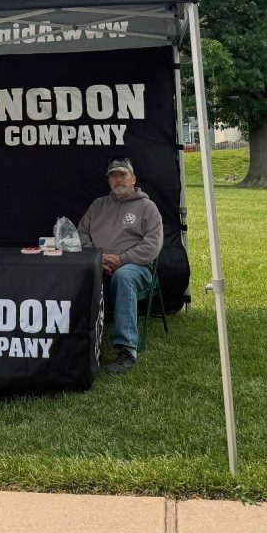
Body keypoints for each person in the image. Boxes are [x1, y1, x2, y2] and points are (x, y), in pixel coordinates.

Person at [77, 157, 163, 375]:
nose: (118, 180)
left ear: (133, 178)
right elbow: (80, 235)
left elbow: (152, 246)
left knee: (124, 276)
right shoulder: (98, 205)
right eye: (113, 176)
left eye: (122, 174)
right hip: (99, 262)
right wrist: (98, 259)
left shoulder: (147, 207)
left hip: (137, 268)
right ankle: (75, 338)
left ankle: (126, 349)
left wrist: (121, 260)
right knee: (74, 271)